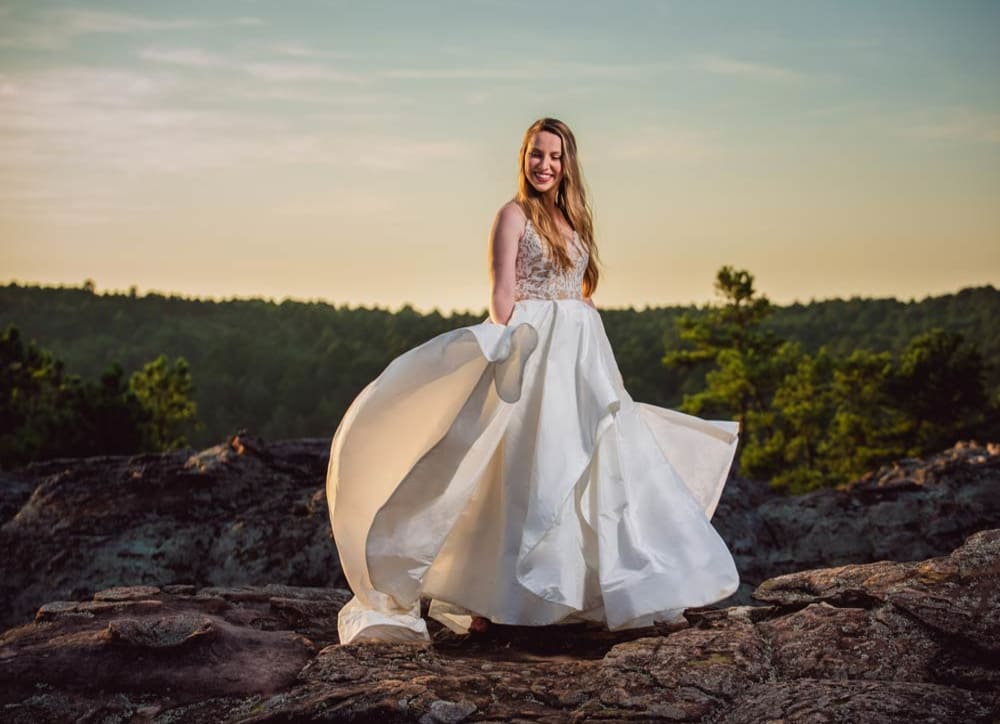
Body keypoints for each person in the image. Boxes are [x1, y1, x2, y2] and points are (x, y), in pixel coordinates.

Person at [326, 117, 740, 645]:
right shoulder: (512, 215)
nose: (544, 165)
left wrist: (587, 335)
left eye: (554, 156)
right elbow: (502, 297)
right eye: (535, 154)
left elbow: (580, 290)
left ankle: (589, 591)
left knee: (596, 463)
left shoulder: (575, 219)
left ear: (567, 164)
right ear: (523, 159)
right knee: (528, 470)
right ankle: (497, 598)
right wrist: (517, 348)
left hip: (582, 354)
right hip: (536, 352)